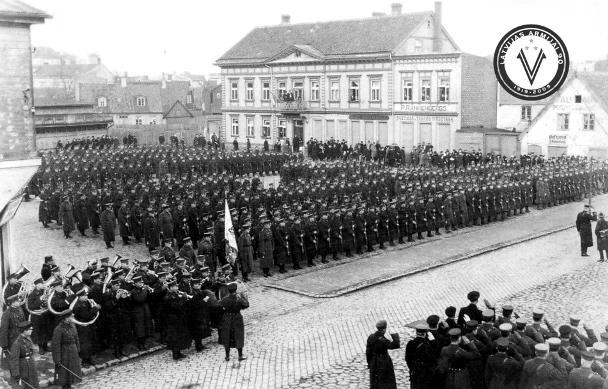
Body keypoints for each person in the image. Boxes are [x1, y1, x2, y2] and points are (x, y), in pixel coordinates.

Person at [366, 319, 400, 389]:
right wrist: (394, 335)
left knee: (375, 382)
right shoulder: (383, 340)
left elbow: (368, 352)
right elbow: (394, 345)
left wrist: (369, 363)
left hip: (374, 362)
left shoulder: (371, 337)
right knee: (385, 382)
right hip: (384, 362)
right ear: (384, 329)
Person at [219, 282, 249, 361]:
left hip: (227, 318)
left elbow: (219, 306)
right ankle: (240, 355)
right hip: (237, 317)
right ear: (236, 290)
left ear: (228, 290)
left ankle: (227, 356)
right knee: (239, 335)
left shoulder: (225, 299)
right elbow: (246, 305)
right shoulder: (238, 299)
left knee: (227, 335)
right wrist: (243, 296)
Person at [52, 311, 82, 389]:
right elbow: (56, 345)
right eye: (71, 317)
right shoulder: (58, 329)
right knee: (64, 373)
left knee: (72, 370)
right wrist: (57, 359)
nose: (73, 318)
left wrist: (78, 348)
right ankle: (64, 387)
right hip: (64, 353)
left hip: (73, 351)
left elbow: (76, 338)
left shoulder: (72, 325)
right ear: (66, 318)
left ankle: (69, 386)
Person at [405, 322, 439, 389]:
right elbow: (434, 356)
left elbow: (407, 358)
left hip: (414, 370)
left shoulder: (410, 343)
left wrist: (411, 367)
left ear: (416, 333)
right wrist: (433, 341)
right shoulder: (427, 345)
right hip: (425, 372)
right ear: (425, 333)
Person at [9, 321, 39, 389]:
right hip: (23, 369)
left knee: (33, 384)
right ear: (24, 330)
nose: (31, 331)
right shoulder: (17, 343)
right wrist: (16, 374)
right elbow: (14, 360)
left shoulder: (27, 339)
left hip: (30, 367)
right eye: (30, 329)